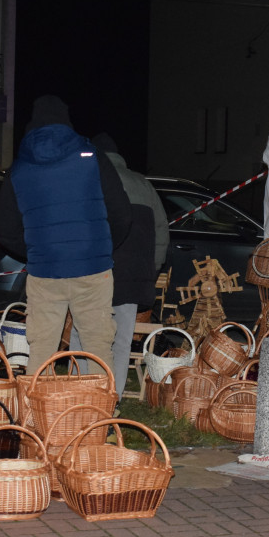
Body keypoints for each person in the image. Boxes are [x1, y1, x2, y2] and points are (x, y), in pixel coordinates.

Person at [0, 95, 131, 374]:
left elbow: (5, 232)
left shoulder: (18, 169)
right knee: (97, 346)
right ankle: (101, 414)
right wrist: (100, 249)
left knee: (42, 347)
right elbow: (122, 214)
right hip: (93, 269)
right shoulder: (93, 157)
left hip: (45, 273)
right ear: (67, 123)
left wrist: (39, 250)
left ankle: (38, 415)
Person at [69, 133, 169, 396]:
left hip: (94, 274)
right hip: (133, 277)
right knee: (122, 341)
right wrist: (151, 270)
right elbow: (162, 232)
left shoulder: (90, 180)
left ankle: (81, 394)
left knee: (81, 334)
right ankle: (113, 397)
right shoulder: (144, 184)